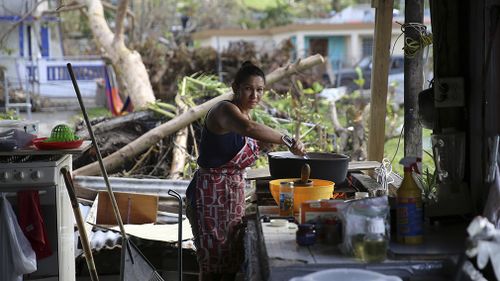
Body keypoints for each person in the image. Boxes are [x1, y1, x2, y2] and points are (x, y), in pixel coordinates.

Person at [186, 61, 305, 281]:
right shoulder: (224, 111)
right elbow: (249, 129)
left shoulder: (245, 114)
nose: (254, 95)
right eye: (248, 88)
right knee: (212, 266)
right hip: (209, 196)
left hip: (231, 197)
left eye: (260, 90)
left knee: (230, 260)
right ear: (235, 88)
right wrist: (287, 139)